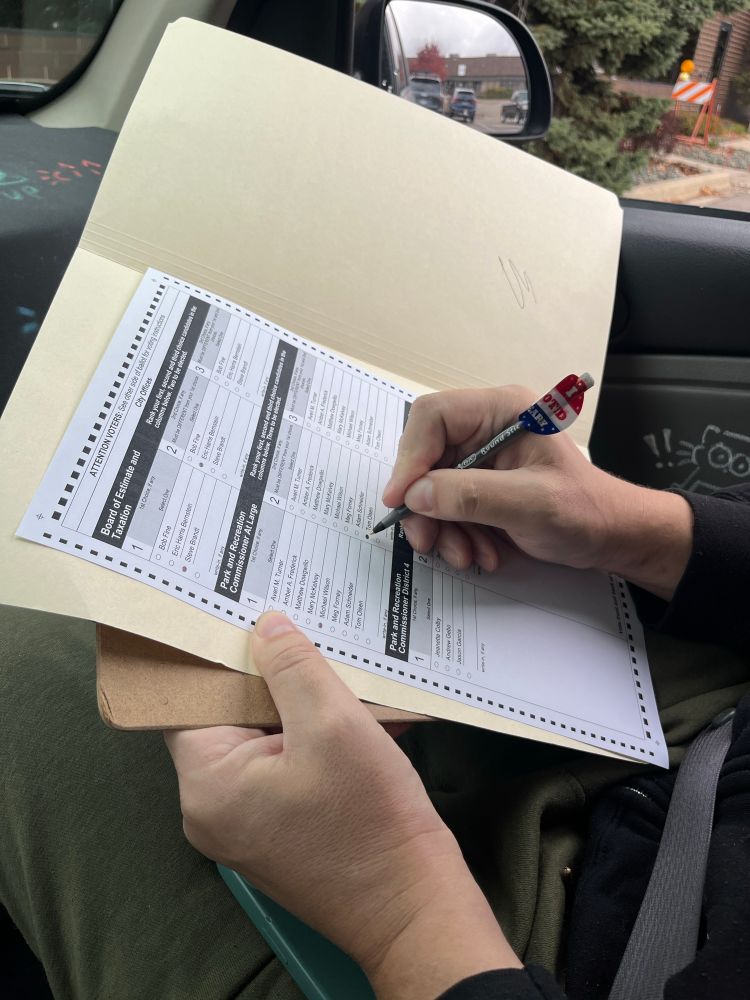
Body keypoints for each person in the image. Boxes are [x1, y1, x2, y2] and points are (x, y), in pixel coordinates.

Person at [1, 385, 748, 999]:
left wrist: (398, 908)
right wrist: (642, 530)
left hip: (545, 953)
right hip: (710, 709)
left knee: (26, 638)